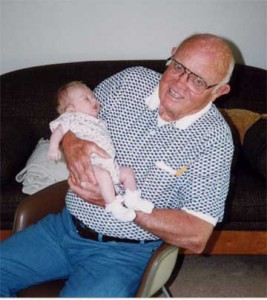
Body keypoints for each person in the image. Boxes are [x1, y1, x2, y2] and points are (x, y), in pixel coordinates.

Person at [0, 33, 235, 297]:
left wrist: (123, 208)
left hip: (125, 253)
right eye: (179, 67)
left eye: (198, 80)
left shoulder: (213, 140)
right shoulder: (129, 81)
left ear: (219, 91)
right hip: (63, 228)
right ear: (171, 56)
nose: (179, 83)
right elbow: (74, 117)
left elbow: (197, 235)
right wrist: (71, 142)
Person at [48, 81, 154, 222]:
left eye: (93, 97)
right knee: (104, 176)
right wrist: (53, 147)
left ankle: (133, 198)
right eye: (86, 98)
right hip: (91, 164)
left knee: (127, 172)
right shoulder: (71, 118)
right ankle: (114, 206)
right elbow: (58, 131)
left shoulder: (97, 121)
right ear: (70, 109)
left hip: (108, 163)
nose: (94, 100)